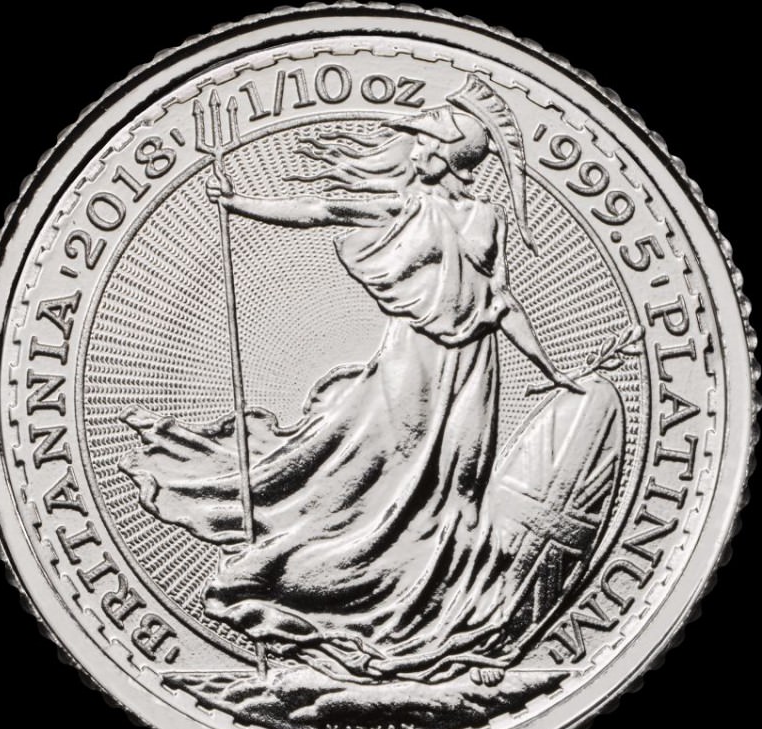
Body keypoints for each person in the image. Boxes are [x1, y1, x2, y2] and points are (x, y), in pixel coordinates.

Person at [120, 77, 583, 684]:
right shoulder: (403, 207)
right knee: (382, 475)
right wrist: (238, 204)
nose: (415, 148)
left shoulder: (485, 219)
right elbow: (321, 211)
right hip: (412, 365)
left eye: (427, 141)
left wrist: (550, 368)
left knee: (460, 484)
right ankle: (333, 586)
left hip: (474, 368)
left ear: (451, 155)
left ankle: (440, 611)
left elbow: (500, 302)